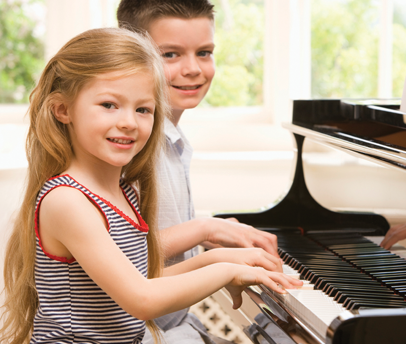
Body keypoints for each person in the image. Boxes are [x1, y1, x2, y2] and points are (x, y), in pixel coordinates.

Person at [0, 28, 301, 344]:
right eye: (109, 104)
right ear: (62, 109)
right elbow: (142, 299)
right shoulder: (67, 200)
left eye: (143, 109)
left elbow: (142, 279)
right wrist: (226, 273)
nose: (130, 121)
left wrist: (219, 260)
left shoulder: (123, 191)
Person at [116, 1, 284, 343]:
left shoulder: (171, 139)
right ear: (129, 53)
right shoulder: (127, 146)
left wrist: (210, 233)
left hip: (169, 324)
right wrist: (205, 229)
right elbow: (126, 251)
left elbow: (154, 229)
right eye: (171, 54)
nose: (193, 68)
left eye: (204, 52)